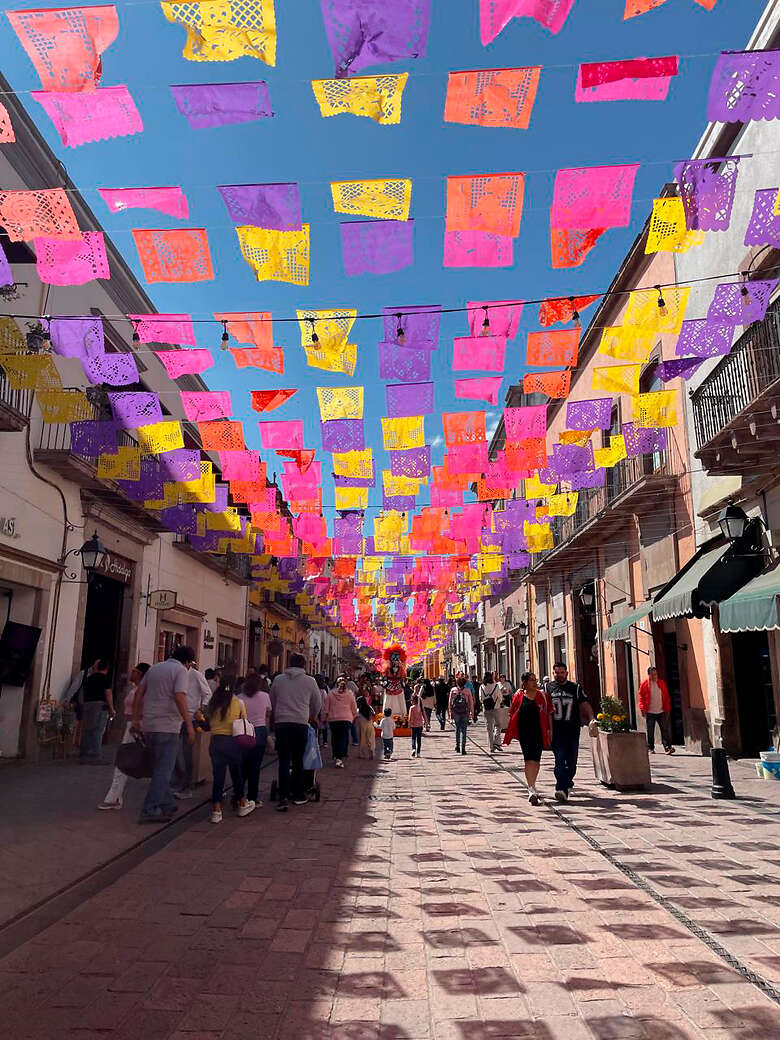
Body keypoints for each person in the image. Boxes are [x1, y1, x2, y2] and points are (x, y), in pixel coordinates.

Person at [132, 645, 196, 824]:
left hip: (150, 724)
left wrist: (137, 719)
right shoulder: (181, 671)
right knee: (163, 771)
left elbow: (139, 693)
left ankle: (167, 804)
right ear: (187, 661)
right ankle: (149, 810)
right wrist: (189, 725)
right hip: (168, 726)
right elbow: (180, 697)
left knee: (158, 768)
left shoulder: (154, 668)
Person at [269, 653, 322, 812]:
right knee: (298, 759)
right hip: (300, 723)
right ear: (304, 665)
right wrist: (311, 715)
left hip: (282, 723)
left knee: (284, 760)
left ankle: (283, 796)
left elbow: (273, 700)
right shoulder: (310, 681)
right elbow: (317, 703)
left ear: (289, 663)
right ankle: (299, 794)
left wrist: (279, 714)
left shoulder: (278, 680)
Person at [98, 662, 150, 810]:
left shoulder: (144, 689)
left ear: (140, 674)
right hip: (131, 726)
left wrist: (136, 723)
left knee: (123, 761)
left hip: (137, 726)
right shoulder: (135, 688)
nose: (130, 673)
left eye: (133, 671)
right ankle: (115, 796)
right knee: (125, 760)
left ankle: (113, 797)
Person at [206, 678, 256, 824]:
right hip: (232, 742)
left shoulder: (213, 702)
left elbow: (208, 720)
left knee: (218, 777)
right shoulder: (238, 702)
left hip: (216, 741)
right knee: (236, 775)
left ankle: (216, 810)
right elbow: (244, 720)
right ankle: (241, 803)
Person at [544, 661, 594, 802]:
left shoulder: (575, 688)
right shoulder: (548, 688)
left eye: (561, 672)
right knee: (559, 760)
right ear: (553, 673)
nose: (559, 675)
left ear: (566, 673)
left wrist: (591, 719)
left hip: (572, 730)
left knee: (571, 763)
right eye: (556, 673)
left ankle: (567, 782)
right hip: (556, 731)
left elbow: (585, 705)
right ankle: (561, 788)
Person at [503, 672, 553, 804]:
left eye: (535, 679)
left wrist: (550, 730)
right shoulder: (518, 696)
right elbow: (512, 712)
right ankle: (531, 789)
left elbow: (548, 714)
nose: (535, 682)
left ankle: (533, 784)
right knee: (528, 759)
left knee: (536, 760)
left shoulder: (543, 695)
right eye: (532, 680)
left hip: (539, 731)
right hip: (524, 733)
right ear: (525, 682)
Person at [173, 664, 211, 798]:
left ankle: (186, 786)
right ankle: (178, 779)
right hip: (174, 717)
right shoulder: (176, 673)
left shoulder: (196, 675)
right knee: (174, 752)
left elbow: (207, 693)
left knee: (186, 753)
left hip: (190, 718)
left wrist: (200, 709)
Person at [239, 673, 272, 804]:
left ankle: (239, 795)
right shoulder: (265, 696)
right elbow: (268, 714)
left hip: (243, 731)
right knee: (255, 767)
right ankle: (252, 797)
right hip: (259, 731)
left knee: (241, 766)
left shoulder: (239, 698)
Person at [78, 659, 114, 762]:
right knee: (98, 730)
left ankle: (84, 754)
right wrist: (112, 708)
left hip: (87, 705)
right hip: (100, 706)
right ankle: (95, 755)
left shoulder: (88, 679)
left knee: (87, 730)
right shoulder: (105, 679)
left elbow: (83, 693)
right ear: (107, 669)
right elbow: (108, 694)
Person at [322, 676, 358, 768]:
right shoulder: (350, 694)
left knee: (335, 737)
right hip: (346, 718)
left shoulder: (330, 694)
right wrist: (354, 716)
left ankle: (336, 754)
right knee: (343, 737)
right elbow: (354, 707)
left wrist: (323, 718)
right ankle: (340, 756)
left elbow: (326, 708)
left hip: (333, 719)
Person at [638, 666, 674, 755]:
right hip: (650, 712)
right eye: (653, 674)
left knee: (665, 730)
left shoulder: (661, 683)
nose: (655, 676)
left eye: (656, 674)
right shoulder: (644, 684)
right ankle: (651, 748)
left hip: (661, 711)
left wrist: (667, 708)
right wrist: (642, 708)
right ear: (649, 675)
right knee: (650, 731)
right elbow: (640, 697)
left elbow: (666, 696)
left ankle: (667, 748)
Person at [449, 675, 474, 755]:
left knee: (457, 729)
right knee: (464, 730)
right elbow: (471, 702)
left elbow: (450, 702)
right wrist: (471, 713)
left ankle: (457, 746)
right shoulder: (467, 691)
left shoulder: (453, 690)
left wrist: (450, 712)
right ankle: (463, 748)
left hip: (456, 712)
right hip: (465, 712)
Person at [479, 672, 503, 753]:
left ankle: (491, 747)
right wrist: (499, 702)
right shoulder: (496, 685)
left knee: (489, 728)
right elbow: (500, 697)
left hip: (486, 709)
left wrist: (485, 701)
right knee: (498, 725)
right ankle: (497, 741)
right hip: (496, 708)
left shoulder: (482, 687)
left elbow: (481, 698)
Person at [356, 694, 376, 759]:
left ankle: (361, 754)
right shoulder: (369, 707)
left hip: (362, 726)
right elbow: (374, 714)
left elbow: (355, 717)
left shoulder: (359, 710)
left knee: (362, 739)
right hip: (370, 724)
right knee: (370, 738)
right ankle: (371, 751)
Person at [408, 693, 425, 758]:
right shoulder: (420, 707)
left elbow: (410, 717)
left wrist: (409, 724)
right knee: (419, 739)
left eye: (412, 700)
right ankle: (418, 752)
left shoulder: (412, 708)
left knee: (413, 738)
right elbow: (424, 715)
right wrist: (426, 723)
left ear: (414, 701)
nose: (411, 701)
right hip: (420, 725)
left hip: (413, 725)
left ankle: (413, 748)